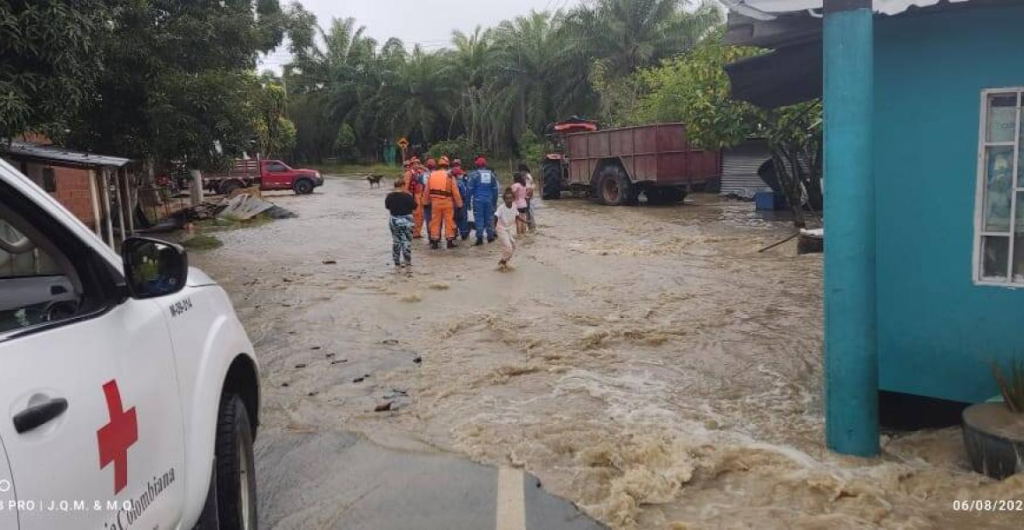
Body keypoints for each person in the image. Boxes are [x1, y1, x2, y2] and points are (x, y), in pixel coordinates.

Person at [424, 156, 464, 249]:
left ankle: (434, 242)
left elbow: (426, 191)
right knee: (449, 221)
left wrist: (425, 203)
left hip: (435, 203)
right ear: (447, 165)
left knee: (435, 222)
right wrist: (459, 205)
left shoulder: (432, 175)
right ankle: (449, 241)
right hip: (447, 202)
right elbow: (455, 192)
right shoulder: (450, 176)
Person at [467, 156, 499, 245]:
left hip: (478, 200)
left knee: (479, 218)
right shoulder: (492, 175)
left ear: (476, 165)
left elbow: (469, 190)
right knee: (489, 218)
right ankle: (490, 237)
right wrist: (495, 202)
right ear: (485, 165)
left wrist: (467, 202)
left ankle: (480, 238)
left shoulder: (474, 175)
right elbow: (495, 190)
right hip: (489, 200)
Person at [385, 179, 416, 268]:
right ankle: (407, 261)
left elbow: (387, 206)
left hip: (394, 220)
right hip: (407, 220)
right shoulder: (407, 196)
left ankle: (396, 262)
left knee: (396, 241)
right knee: (406, 241)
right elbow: (414, 206)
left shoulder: (389, 196)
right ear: (403, 185)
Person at [495, 188, 524, 270]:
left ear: (513, 198)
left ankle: (504, 262)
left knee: (513, 247)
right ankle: (502, 262)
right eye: (507, 198)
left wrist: (525, 221)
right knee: (508, 248)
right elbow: (495, 217)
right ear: (504, 199)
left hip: (509, 229)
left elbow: (517, 216)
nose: (509, 200)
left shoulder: (514, 205)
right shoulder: (501, 208)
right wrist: (493, 228)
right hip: (501, 229)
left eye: (510, 198)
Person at [409, 158, 431, 239]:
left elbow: (430, 172)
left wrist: (423, 168)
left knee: (422, 216)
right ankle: (414, 233)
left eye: (418, 163)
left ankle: (417, 233)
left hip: (421, 195)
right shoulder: (409, 173)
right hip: (414, 196)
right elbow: (406, 186)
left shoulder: (421, 172)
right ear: (412, 164)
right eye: (415, 163)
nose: (417, 165)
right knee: (416, 215)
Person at [451, 159, 471, 240]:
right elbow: (464, 193)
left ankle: (454, 233)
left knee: (453, 219)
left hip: (452, 203)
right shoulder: (460, 181)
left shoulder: (450, 180)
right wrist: (468, 202)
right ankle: (463, 233)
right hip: (461, 202)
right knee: (463, 218)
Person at [519, 163, 537, 232]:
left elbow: (529, 189)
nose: (520, 172)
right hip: (527, 198)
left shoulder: (527, 177)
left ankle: (532, 228)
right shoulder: (526, 176)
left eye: (521, 171)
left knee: (530, 214)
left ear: (524, 170)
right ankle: (531, 229)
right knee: (528, 214)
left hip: (529, 198)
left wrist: (526, 198)